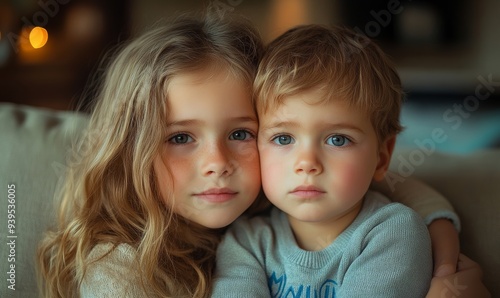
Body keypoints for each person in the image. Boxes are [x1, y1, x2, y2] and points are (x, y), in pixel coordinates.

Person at [36, 13, 483, 298]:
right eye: (179, 138)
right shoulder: (119, 271)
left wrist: (441, 249)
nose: (217, 162)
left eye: (240, 133)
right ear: (131, 149)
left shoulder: (278, 203)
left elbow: (381, 182)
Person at [211, 24, 489, 297]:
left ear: (382, 158)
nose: (307, 163)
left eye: (337, 140)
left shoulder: (393, 232)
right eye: (283, 139)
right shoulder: (245, 240)